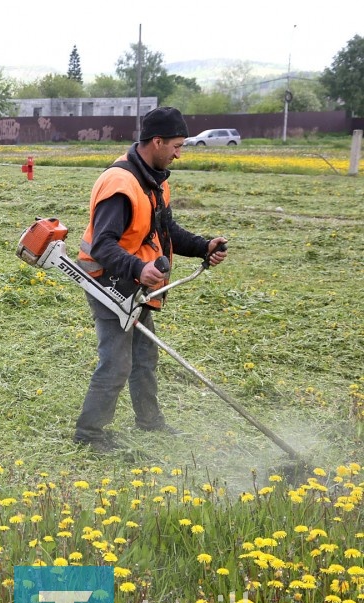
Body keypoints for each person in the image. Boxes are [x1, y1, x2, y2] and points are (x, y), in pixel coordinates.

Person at [73, 106, 228, 452]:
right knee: (117, 361)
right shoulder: (120, 184)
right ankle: (90, 434)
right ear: (156, 141)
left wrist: (204, 247)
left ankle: (149, 422)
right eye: (176, 145)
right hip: (108, 282)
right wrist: (138, 269)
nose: (179, 152)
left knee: (144, 356)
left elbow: (166, 230)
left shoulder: (154, 181)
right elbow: (102, 245)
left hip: (136, 282)